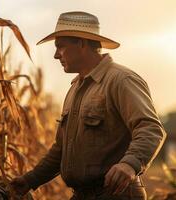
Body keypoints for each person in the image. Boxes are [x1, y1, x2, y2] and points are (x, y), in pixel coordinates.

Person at [10, 11, 166, 200]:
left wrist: (129, 164)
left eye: (60, 47)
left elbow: (150, 128)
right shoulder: (75, 89)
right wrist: (30, 180)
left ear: (81, 43)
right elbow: (61, 149)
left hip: (117, 195)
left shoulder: (121, 80)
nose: (55, 55)